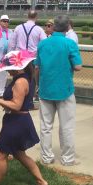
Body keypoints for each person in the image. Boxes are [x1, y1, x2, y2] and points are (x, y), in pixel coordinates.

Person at [0, 51, 48, 185]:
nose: (8, 71)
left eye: (9, 68)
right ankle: (41, 182)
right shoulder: (27, 78)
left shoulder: (19, 81)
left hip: (16, 122)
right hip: (20, 120)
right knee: (19, 154)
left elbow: (16, 105)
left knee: (1, 154)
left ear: (17, 67)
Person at [36, 15, 83, 166]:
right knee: (66, 126)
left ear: (54, 26)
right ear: (68, 26)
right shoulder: (70, 43)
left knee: (46, 127)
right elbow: (78, 66)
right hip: (64, 89)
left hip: (46, 88)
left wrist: (38, 85)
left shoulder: (43, 44)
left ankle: (46, 157)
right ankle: (68, 159)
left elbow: (37, 67)